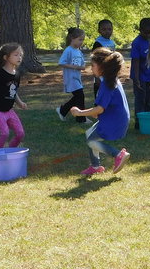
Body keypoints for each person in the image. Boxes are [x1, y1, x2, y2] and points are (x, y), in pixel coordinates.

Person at [69, 47, 130, 176]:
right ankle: (95, 166)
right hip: (115, 118)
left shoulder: (107, 84)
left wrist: (79, 112)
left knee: (91, 142)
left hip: (114, 121)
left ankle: (118, 154)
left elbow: (100, 109)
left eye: (93, 65)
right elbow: (103, 107)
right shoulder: (110, 80)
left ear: (102, 66)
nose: (91, 68)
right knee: (89, 134)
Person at [56, 27, 87, 122]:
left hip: (77, 78)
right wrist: (73, 67)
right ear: (72, 38)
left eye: (82, 40)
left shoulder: (79, 51)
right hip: (70, 78)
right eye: (80, 39)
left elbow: (82, 64)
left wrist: (82, 66)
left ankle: (63, 110)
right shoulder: (68, 50)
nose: (81, 42)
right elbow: (61, 62)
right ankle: (81, 119)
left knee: (78, 97)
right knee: (80, 96)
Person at [129, 17, 150, 129]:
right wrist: (136, 78)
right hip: (139, 75)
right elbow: (136, 61)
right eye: (145, 32)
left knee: (149, 99)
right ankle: (139, 122)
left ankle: (148, 120)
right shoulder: (137, 42)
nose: (148, 35)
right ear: (140, 30)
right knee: (140, 99)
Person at [91, 19, 116, 101]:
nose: (107, 31)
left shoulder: (112, 43)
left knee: (109, 95)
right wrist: (96, 76)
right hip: (101, 72)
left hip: (110, 72)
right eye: (104, 29)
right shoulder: (98, 43)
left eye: (109, 29)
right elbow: (94, 60)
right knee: (100, 97)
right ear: (99, 30)